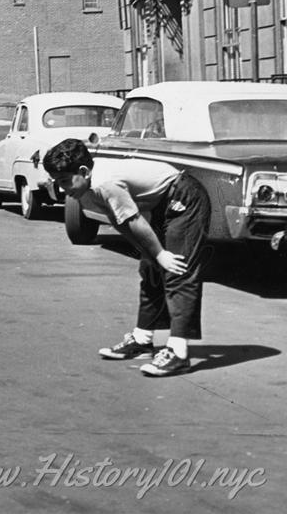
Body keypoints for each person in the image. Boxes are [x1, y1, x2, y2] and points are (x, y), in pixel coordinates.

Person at [43, 138, 210, 377]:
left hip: (185, 195)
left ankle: (179, 352)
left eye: (64, 181)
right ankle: (142, 340)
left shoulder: (105, 183)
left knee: (177, 268)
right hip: (163, 204)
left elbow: (134, 220)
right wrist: (149, 253)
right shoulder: (84, 189)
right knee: (150, 270)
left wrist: (161, 254)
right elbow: (119, 221)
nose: (61, 189)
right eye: (57, 182)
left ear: (83, 171)